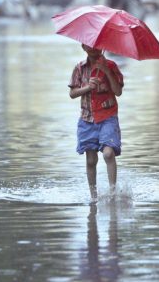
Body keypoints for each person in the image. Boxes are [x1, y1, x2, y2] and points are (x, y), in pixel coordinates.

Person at [69, 44, 124, 201]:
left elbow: (118, 91)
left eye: (97, 45)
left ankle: (113, 192)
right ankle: (94, 196)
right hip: (87, 119)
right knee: (91, 159)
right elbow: (72, 93)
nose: (94, 48)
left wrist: (106, 71)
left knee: (108, 153)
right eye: (90, 46)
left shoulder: (112, 66)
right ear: (83, 47)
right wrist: (87, 87)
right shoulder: (79, 68)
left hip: (108, 117)